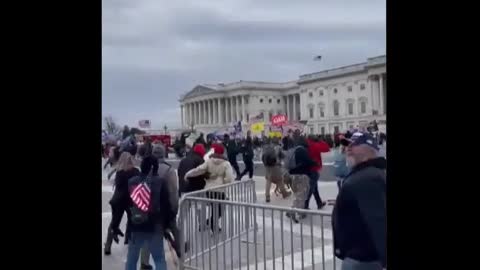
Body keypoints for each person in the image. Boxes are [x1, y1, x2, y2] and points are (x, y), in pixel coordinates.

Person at [332, 133, 386, 270]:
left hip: (363, 260)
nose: (348, 149)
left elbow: (379, 221)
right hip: (359, 257)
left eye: (353, 144)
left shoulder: (366, 178)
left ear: (369, 149)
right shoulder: (365, 174)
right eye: (346, 145)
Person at [125, 157, 175, 270]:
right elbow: (166, 206)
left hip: (136, 224)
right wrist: (167, 225)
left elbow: (127, 204)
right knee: (159, 259)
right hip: (155, 225)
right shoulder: (161, 182)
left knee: (131, 259)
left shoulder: (132, 182)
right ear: (155, 168)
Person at [138, 144, 179, 270]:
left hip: (147, 207)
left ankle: (144, 262)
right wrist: (174, 209)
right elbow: (173, 192)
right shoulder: (168, 170)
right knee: (172, 227)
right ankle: (179, 248)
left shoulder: (145, 168)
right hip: (163, 208)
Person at [184, 143, 234, 231]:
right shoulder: (226, 163)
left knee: (214, 208)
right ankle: (210, 222)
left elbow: (199, 170)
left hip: (209, 189)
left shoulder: (209, 161)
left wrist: (188, 174)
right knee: (220, 210)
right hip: (220, 189)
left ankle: (213, 225)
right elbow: (229, 177)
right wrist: (225, 182)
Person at [104, 152, 140, 255]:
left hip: (118, 201)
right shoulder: (135, 171)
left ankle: (108, 245)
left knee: (114, 222)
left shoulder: (119, 172)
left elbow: (118, 186)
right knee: (131, 220)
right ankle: (128, 240)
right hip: (130, 201)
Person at [285, 136, 316, 222]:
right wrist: (314, 162)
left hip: (294, 175)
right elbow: (307, 162)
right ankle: (294, 211)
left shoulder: (295, 150)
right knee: (301, 195)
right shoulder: (302, 150)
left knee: (299, 194)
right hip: (302, 175)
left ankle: (296, 211)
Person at [305, 135, 330, 210]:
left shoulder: (306, 144)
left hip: (307, 168)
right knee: (311, 188)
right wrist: (320, 140)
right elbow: (326, 148)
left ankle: (319, 203)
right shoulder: (315, 145)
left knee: (314, 187)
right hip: (314, 168)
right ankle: (305, 205)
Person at [262, 138, 291, 202]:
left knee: (268, 181)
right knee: (279, 180)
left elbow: (263, 157)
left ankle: (267, 196)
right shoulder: (278, 147)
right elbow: (283, 156)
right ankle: (284, 193)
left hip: (267, 166)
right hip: (276, 166)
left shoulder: (266, 147)